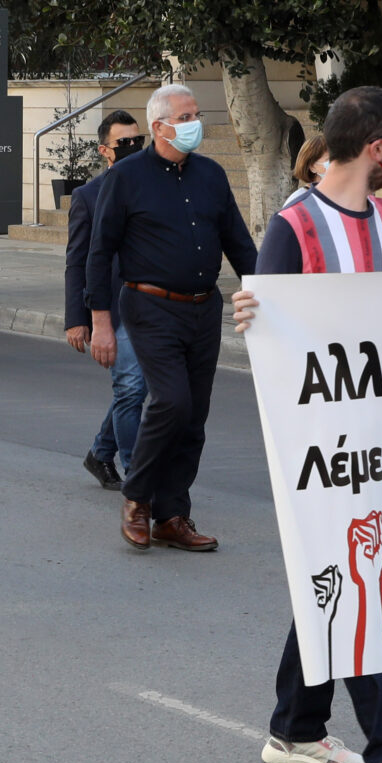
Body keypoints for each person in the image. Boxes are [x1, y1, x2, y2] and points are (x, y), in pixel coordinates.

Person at [229, 84, 382, 763]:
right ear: (378, 146)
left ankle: (296, 727)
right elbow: (270, 330)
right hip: (320, 444)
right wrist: (250, 314)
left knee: (334, 578)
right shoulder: (295, 225)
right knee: (359, 582)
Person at [86, 83, 255, 553]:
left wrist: (276, 290)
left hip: (204, 308)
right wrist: (100, 321)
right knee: (171, 401)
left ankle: (172, 515)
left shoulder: (211, 176)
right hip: (149, 305)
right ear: (159, 126)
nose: (194, 123)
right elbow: (98, 254)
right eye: (185, 117)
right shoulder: (127, 177)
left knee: (194, 417)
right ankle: (137, 497)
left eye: (195, 114)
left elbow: (239, 243)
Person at [66, 110, 147, 491]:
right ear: (105, 150)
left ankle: (101, 451)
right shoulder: (88, 196)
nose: (134, 147)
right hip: (114, 307)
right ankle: (138, 476)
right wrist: (76, 318)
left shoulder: (160, 184)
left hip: (159, 304)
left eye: (138, 140)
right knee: (131, 386)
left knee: (141, 388)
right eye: (124, 143)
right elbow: (76, 260)